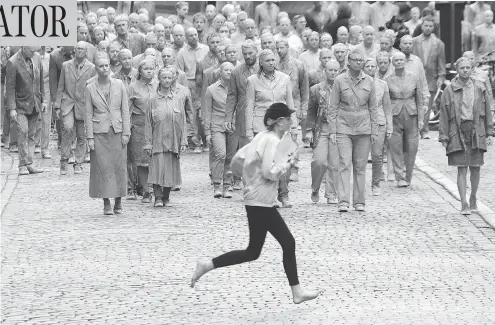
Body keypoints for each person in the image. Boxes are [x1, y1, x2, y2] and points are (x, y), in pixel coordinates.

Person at [190, 102, 320, 305]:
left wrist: (250, 180)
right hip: (260, 200)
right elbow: (269, 172)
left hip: (258, 198)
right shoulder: (272, 140)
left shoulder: (262, 136)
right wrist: (288, 163)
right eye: (288, 118)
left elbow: (238, 160)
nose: (291, 122)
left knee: (257, 250)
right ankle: (207, 264)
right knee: (280, 244)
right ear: (279, 121)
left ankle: (297, 291)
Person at [438, 57, 494, 215]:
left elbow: (488, 111)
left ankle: (473, 197)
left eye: (468, 67)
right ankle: (463, 202)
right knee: (461, 168)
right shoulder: (449, 90)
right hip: (458, 129)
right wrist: (444, 136)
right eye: (462, 68)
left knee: (475, 168)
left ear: (472, 68)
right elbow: (443, 113)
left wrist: (490, 132)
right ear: (457, 69)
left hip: (477, 129)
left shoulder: (479, 87)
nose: (465, 70)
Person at [328, 49, 379, 212]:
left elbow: (373, 107)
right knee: (344, 163)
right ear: (348, 62)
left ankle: (359, 201)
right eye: (355, 60)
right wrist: (332, 130)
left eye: (361, 60)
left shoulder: (370, 81)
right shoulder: (339, 80)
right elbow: (333, 106)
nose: (358, 62)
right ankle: (343, 200)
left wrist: (374, 130)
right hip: (343, 125)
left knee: (360, 165)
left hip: (363, 127)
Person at [245, 49, 296, 208]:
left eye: (273, 60)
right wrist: (248, 129)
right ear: (261, 62)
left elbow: (290, 104)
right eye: (268, 60)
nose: (271, 63)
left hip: (282, 123)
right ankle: (270, 196)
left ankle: (284, 194)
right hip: (262, 124)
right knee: (267, 162)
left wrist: (293, 126)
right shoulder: (252, 81)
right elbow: (249, 106)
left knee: (284, 161)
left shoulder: (285, 78)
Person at [85, 51, 130, 215]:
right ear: (95, 68)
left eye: (106, 66)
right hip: (99, 132)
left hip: (117, 130)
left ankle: (118, 200)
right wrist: (89, 137)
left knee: (119, 166)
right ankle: (106, 202)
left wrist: (126, 132)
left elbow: (125, 109)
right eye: (100, 66)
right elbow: (88, 114)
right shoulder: (90, 87)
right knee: (102, 167)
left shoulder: (119, 85)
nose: (104, 69)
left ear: (110, 67)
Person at [144, 66, 192, 207]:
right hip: (157, 140)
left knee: (170, 169)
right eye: (164, 77)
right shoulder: (152, 100)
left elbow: (182, 121)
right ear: (159, 79)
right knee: (157, 168)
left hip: (173, 141)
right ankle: (157, 197)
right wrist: (148, 143)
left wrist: (183, 141)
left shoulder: (177, 99)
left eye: (169, 78)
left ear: (173, 79)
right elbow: (148, 123)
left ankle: (166, 196)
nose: (166, 80)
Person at [54, 42, 96, 175]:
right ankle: (64, 160)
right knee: (67, 129)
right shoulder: (66, 66)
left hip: (83, 105)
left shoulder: (91, 68)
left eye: (83, 49)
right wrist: (57, 105)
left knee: (82, 135)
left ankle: (78, 163)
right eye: (78, 48)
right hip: (68, 102)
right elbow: (60, 86)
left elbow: (93, 88)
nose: (80, 51)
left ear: (86, 51)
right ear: (74, 50)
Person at [5, 47, 47, 175]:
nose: (34, 52)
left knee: (32, 134)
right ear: (23, 47)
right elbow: (10, 87)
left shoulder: (37, 57)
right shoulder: (13, 62)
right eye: (31, 50)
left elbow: (41, 82)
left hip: (35, 103)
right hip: (20, 104)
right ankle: (22, 165)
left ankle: (29, 163)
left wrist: (44, 100)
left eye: (35, 50)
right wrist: (12, 109)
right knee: (23, 131)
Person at [385, 52, 423, 188]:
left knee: (412, 147)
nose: (399, 62)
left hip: (411, 113)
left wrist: (421, 118)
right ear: (393, 63)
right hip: (395, 114)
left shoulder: (414, 77)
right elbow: (386, 101)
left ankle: (408, 175)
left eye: (401, 60)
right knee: (396, 146)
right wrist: (387, 120)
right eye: (396, 60)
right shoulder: (387, 79)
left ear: (405, 62)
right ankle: (399, 176)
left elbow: (419, 98)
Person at [226, 40, 260, 191]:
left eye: (250, 53)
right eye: (245, 54)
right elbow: (232, 95)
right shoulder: (236, 71)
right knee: (245, 149)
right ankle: (241, 179)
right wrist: (228, 117)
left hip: (261, 113)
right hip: (242, 113)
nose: (247, 56)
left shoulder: (263, 68)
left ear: (256, 52)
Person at [307, 60, 341, 204]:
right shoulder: (315, 89)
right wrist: (309, 130)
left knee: (334, 163)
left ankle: (331, 194)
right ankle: (315, 187)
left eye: (336, 70)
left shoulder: (343, 88)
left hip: (339, 129)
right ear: (324, 71)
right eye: (330, 70)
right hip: (321, 127)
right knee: (319, 161)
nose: (333, 72)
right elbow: (311, 111)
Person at [204, 62, 237, 198]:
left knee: (230, 157)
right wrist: (207, 132)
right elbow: (207, 112)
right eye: (226, 70)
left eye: (231, 70)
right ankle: (217, 184)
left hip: (234, 126)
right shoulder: (211, 89)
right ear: (220, 72)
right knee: (220, 154)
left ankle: (227, 186)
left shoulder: (237, 88)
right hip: (217, 125)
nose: (229, 72)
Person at [276, 38, 309, 171]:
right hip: (278, 105)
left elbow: (304, 89)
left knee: (294, 137)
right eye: (277, 48)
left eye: (281, 48)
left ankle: (294, 166)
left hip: (294, 105)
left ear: (287, 47)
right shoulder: (274, 65)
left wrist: (304, 108)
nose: (279, 51)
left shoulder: (299, 65)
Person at [128, 59, 157, 204]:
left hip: (157, 125)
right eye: (146, 68)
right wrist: (127, 128)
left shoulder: (159, 84)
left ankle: (158, 188)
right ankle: (146, 191)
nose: (149, 71)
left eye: (152, 68)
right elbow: (127, 109)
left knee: (157, 158)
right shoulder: (133, 87)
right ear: (139, 71)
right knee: (142, 160)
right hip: (139, 126)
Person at [412, 15, 446, 139]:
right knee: (415, 104)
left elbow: (441, 62)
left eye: (430, 26)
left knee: (427, 104)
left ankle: (424, 130)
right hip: (415, 77)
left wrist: (441, 77)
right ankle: (414, 130)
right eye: (426, 25)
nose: (428, 28)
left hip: (432, 77)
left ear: (434, 27)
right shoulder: (414, 41)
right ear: (421, 26)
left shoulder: (439, 44)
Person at [176, 27, 209, 153]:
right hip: (189, 83)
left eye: (195, 34)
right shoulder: (182, 53)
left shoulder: (205, 49)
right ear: (186, 37)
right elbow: (180, 72)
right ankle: (195, 142)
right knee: (192, 113)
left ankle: (206, 139)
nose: (194, 37)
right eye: (191, 35)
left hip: (203, 82)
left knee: (202, 112)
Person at [363, 58, 392, 196]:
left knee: (377, 154)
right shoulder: (358, 84)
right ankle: (359, 182)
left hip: (380, 122)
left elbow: (387, 107)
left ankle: (376, 183)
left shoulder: (383, 84)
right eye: (367, 66)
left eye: (373, 66)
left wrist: (390, 126)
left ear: (376, 68)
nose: (370, 68)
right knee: (360, 156)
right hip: (362, 122)